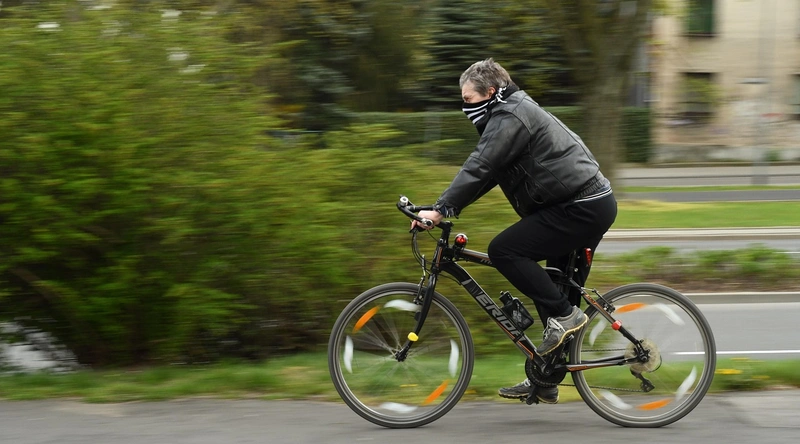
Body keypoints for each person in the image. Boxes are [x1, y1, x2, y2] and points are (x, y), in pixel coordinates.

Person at [411, 58, 617, 404]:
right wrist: (444, 207)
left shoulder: (510, 116)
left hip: (581, 206)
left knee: (505, 251)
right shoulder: (507, 112)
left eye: (469, 100)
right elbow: (488, 175)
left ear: (491, 92)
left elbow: (480, 165)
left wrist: (441, 209)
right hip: (579, 204)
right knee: (550, 288)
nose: (465, 107)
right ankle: (545, 377)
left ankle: (566, 315)